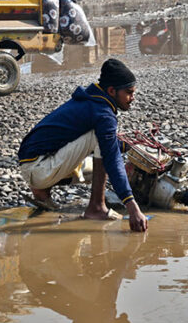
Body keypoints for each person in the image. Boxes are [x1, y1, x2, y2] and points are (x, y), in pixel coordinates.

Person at [18, 58, 148, 232]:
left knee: (99, 163)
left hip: (34, 164)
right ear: (111, 90)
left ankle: (42, 190)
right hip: (39, 168)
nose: (132, 98)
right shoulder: (103, 114)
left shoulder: (91, 100)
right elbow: (110, 156)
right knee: (100, 141)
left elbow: (108, 147)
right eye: (129, 92)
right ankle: (96, 208)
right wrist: (131, 205)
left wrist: (128, 146)